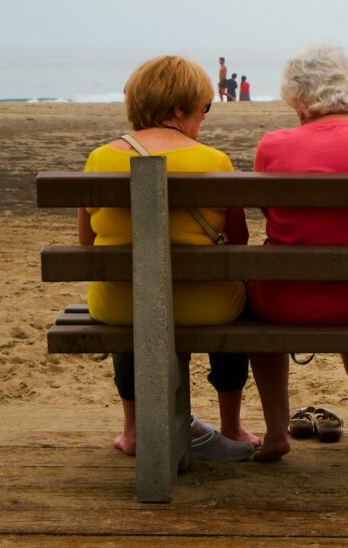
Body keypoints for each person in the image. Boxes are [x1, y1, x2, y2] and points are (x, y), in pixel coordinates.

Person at [79, 55, 259, 461]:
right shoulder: (214, 162)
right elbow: (239, 244)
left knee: (134, 288)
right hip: (206, 307)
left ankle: (134, 430)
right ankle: (231, 425)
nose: (205, 118)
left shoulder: (99, 159)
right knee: (242, 293)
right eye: (204, 108)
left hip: (121, 306)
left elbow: (88, 247)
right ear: (179, 109)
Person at [247, 44, 348, 462]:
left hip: (285, 301)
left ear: (296, 97)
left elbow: (272, 213)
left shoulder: (273, 146)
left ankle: (276, 433)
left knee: (253, 305)